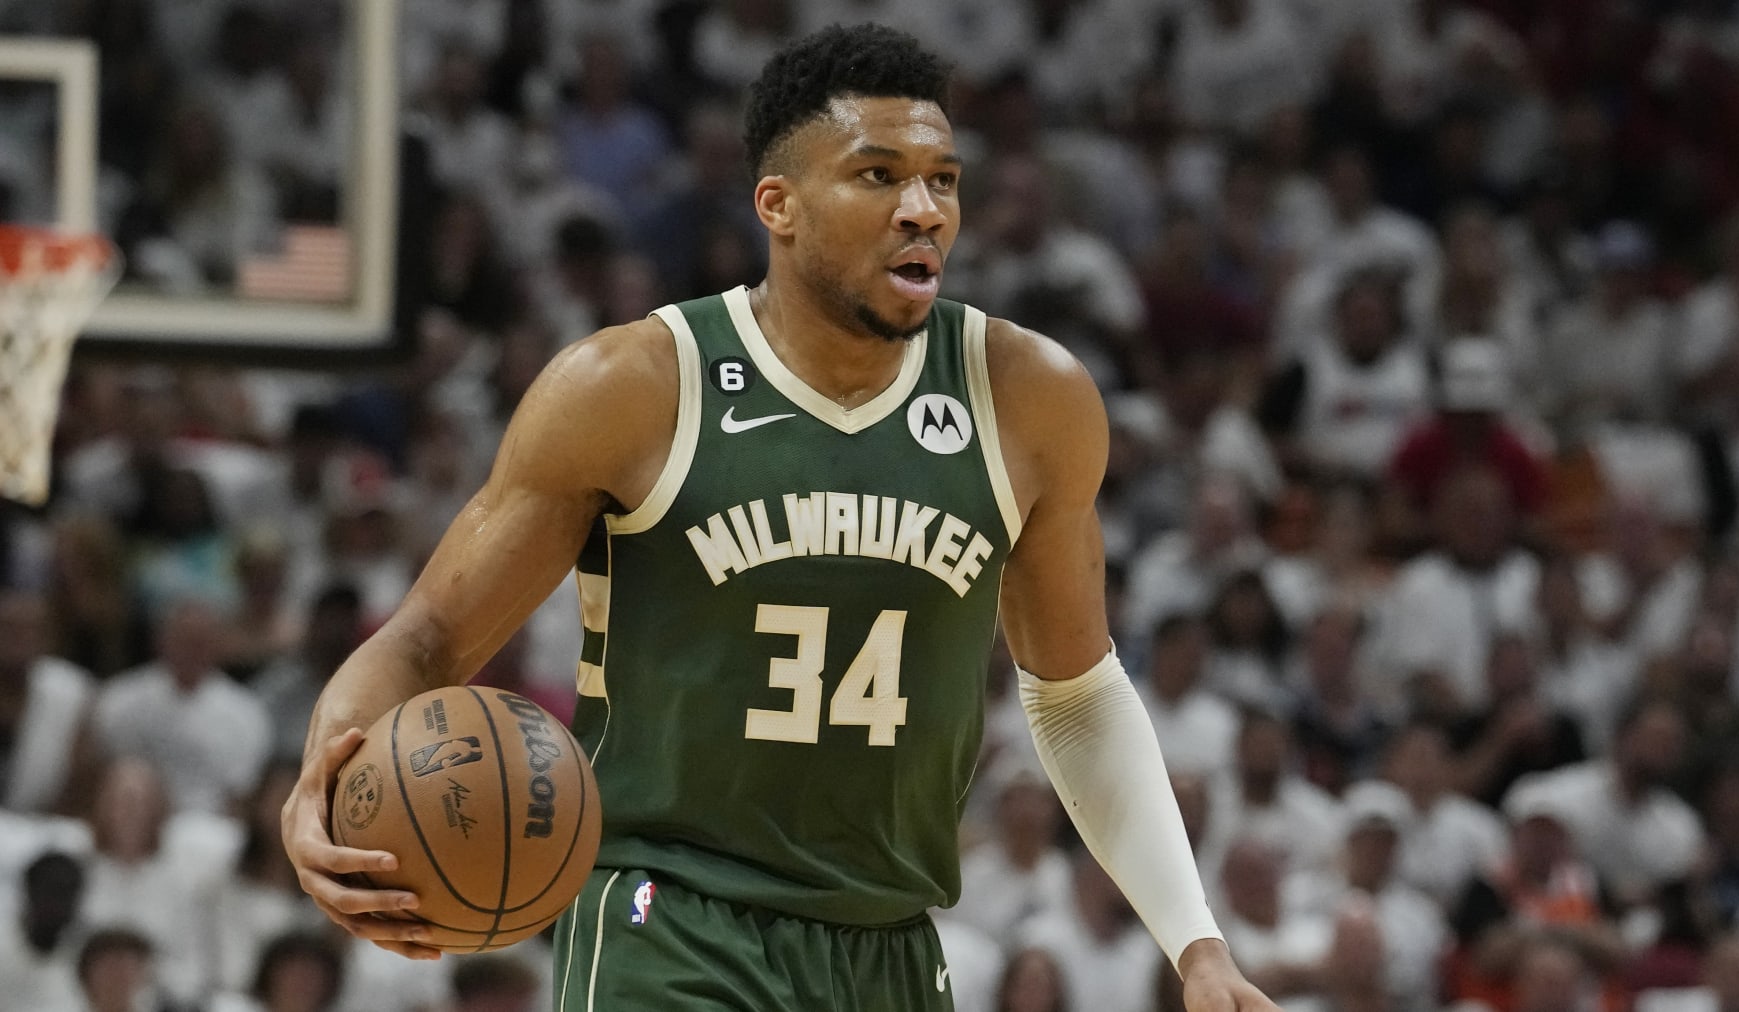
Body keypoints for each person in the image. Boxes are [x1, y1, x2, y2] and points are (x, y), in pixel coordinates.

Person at [281, 23, 1274, 1012]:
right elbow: (428, 637)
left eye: (943, 179)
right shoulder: (634, 387)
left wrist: (1196, 943)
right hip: (669, 918)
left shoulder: (1027, 397)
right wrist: (322, 781)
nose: (923, 209)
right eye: (878, 176)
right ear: (779, 204)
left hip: (886, 939)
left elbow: (1079, 694)